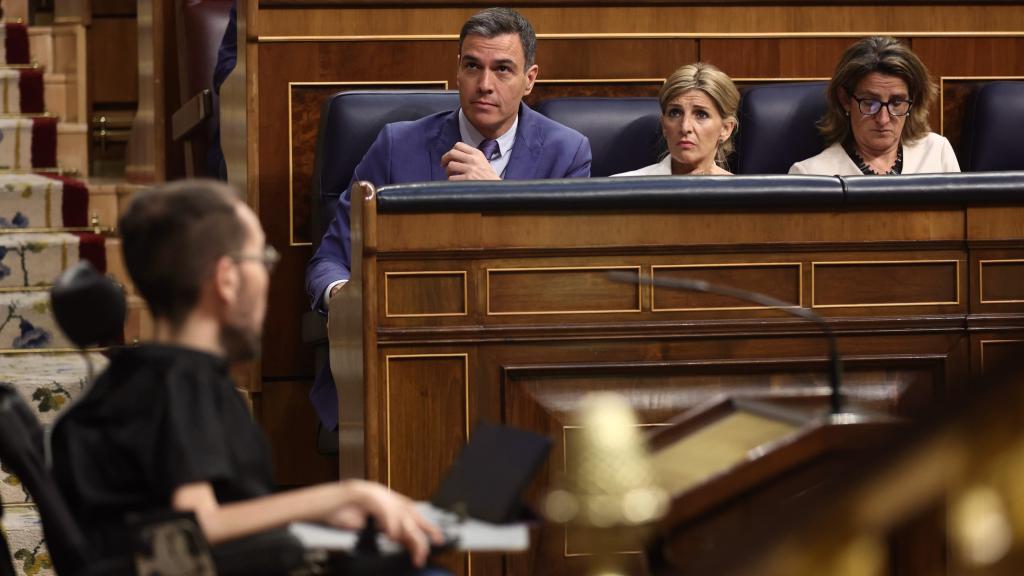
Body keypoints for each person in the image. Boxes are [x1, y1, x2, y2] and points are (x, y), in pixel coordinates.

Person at [51, 180, 443, 567]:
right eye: (263, 260)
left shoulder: (127, 381)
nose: (267, 277)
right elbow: (195, 527)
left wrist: (314, 518)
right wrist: (348, 496)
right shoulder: (186, 382)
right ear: (228, 278)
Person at [305, 7, 591, 431]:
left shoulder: (566, 153)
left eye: (503, 69)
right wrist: (345, 297)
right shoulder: (394, 146)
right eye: (472, 66)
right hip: (405, 350)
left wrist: (499, 197)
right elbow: (329, 260)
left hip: (517, 358)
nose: (484, 84)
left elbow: (569, 275)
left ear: (530, 79)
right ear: (456, 70)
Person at [789, 36, 960, 175]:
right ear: (845, 100)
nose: (883, 119)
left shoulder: (937, 153)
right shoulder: (810, 174)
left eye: (896, 103)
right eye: (870, 103)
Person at [613, 62, 739, 176]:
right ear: (663, 125)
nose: (685, 127)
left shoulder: (745, 196)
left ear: (726, 129)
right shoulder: (619, 189)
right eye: (675, 113)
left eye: (701, 114)